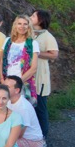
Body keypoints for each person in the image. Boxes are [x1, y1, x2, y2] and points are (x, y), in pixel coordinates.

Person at [5, 76, 45, 147]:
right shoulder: (8, 101)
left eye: (7, 87)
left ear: (17, 90)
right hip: (20, 136)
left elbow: (19, 134)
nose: (3, 89)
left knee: (2, 143)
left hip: (32, 142)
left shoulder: (23, 107)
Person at [31, 9, 59, 139]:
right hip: (29, 74)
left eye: (33, 16)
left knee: (40, 106)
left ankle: (43, 136)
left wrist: (36, 53)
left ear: (41, 20)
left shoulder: (47, 36)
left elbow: (54, 54)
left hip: (40, 75)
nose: (30, 17)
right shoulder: (31, 33)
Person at [0, 15, 39, 104]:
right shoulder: (8, 41)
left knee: (21, 113)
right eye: (19, 24)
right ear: (15, 25)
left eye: (25, 24)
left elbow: (34, 68)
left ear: (29, 27)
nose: (22, 26)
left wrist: (18, 83)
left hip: (23, 84)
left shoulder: (32, 44)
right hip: (6, 81)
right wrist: (2, 79)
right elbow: (2, 61)